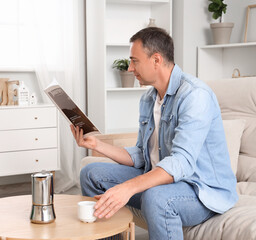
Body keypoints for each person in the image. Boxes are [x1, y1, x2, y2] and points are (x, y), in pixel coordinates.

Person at [70, 27, 238, 240]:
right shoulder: (148, 99)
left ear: (156, 60)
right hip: (163, 179)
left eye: (134, 61)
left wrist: (128, 188)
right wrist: (96, 145)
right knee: (91, 174)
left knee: (156, 197)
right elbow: (142, 155)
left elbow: (181, 163)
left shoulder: (195, 96)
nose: (130, 68)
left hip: (201, 190)